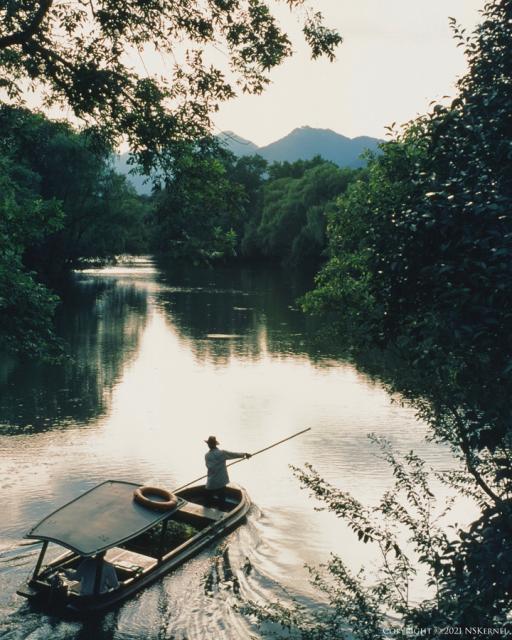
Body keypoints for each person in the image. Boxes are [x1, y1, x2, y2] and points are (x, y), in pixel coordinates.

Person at [204, 436, 251, 503]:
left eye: (208, 444)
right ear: (215, 444)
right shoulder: (222, 453)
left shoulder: (207, 455)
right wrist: (245, 454)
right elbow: (234, 454)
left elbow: (209, 467)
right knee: (222, 501)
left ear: (209, 444)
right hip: (221, 483)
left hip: (211, 483)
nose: (208, 445)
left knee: (207, 502)